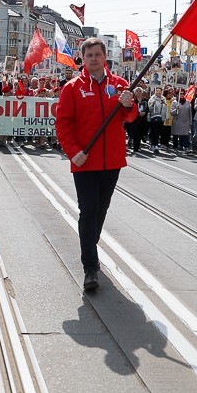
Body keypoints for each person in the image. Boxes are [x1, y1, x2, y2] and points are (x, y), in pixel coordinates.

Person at [55, 37, 138, 291]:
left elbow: (131, 117)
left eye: (97, 55)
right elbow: (63, 124)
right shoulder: (72, 88)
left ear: (105, 57)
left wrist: (129, 104)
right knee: (89, 210)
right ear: (83, 58)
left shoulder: (120, 85)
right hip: (85, 161)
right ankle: (90, 267)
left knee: (100, 211)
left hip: (111, 161)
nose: (93, 59)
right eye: (89, 55)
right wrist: (73, 152)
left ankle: (89, 242)